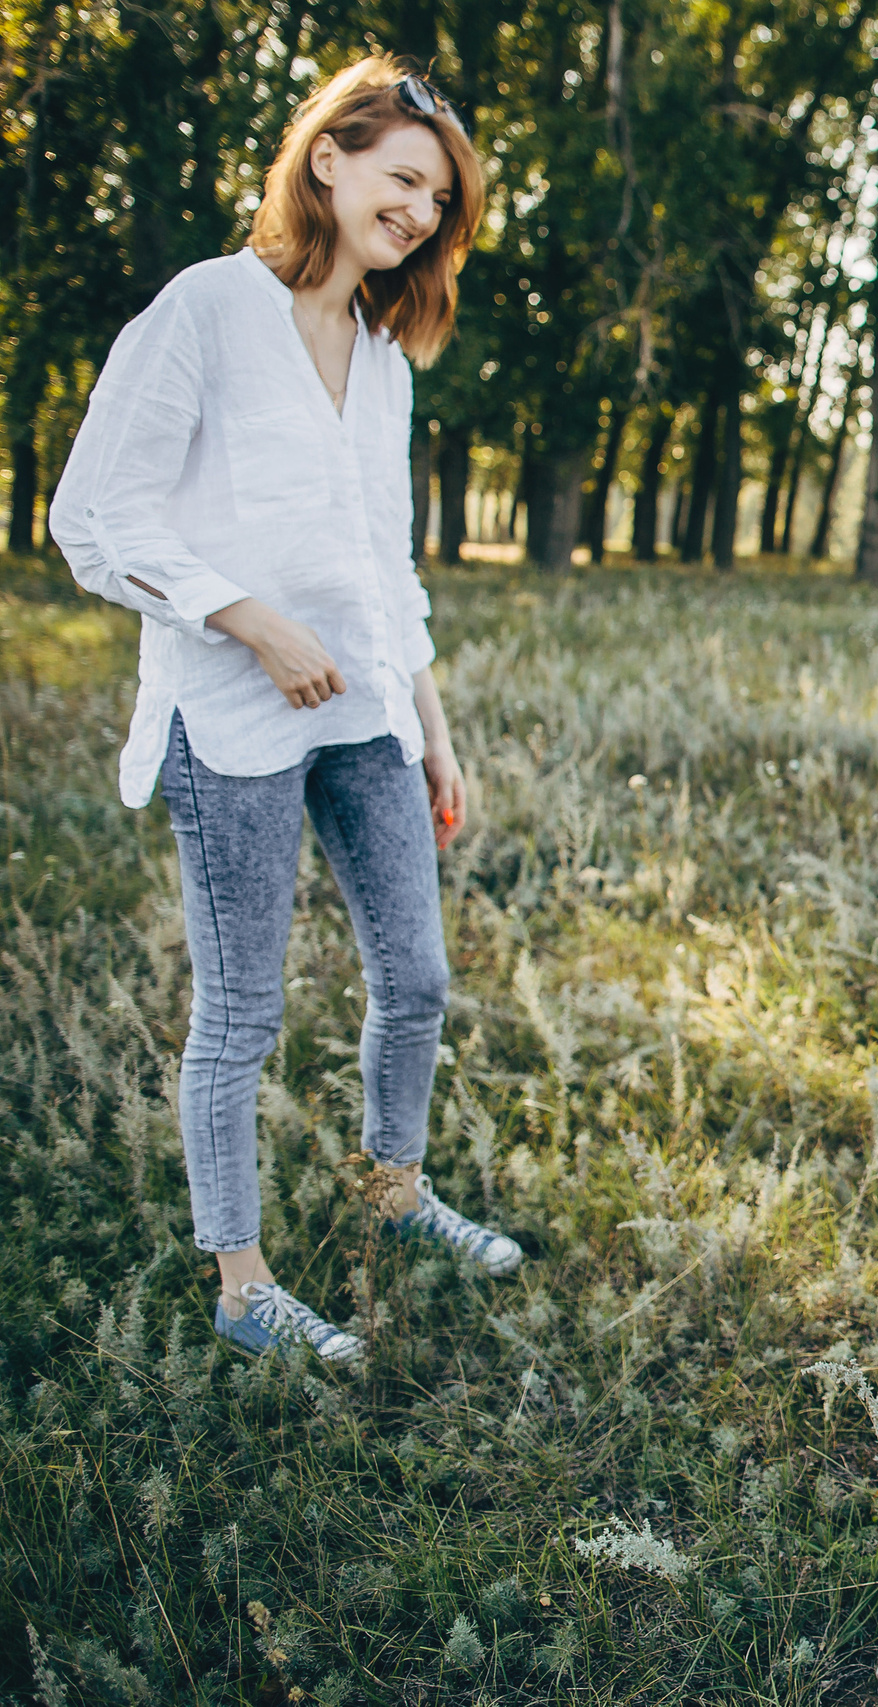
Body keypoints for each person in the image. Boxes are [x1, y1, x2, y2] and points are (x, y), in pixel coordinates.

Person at [49, 58, 520, 1364]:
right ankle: (243, 1281)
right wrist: (247, 616)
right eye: (403, 178)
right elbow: (91, 520)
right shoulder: (208, 308)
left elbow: (385, 566)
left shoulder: (380, 355)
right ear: (329, 160)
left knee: (416, 975)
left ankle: (395, 1187)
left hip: (365, 714)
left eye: (441, 198)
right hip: (233, 717)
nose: (421, 211)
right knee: (243, 1013)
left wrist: (434, 725)